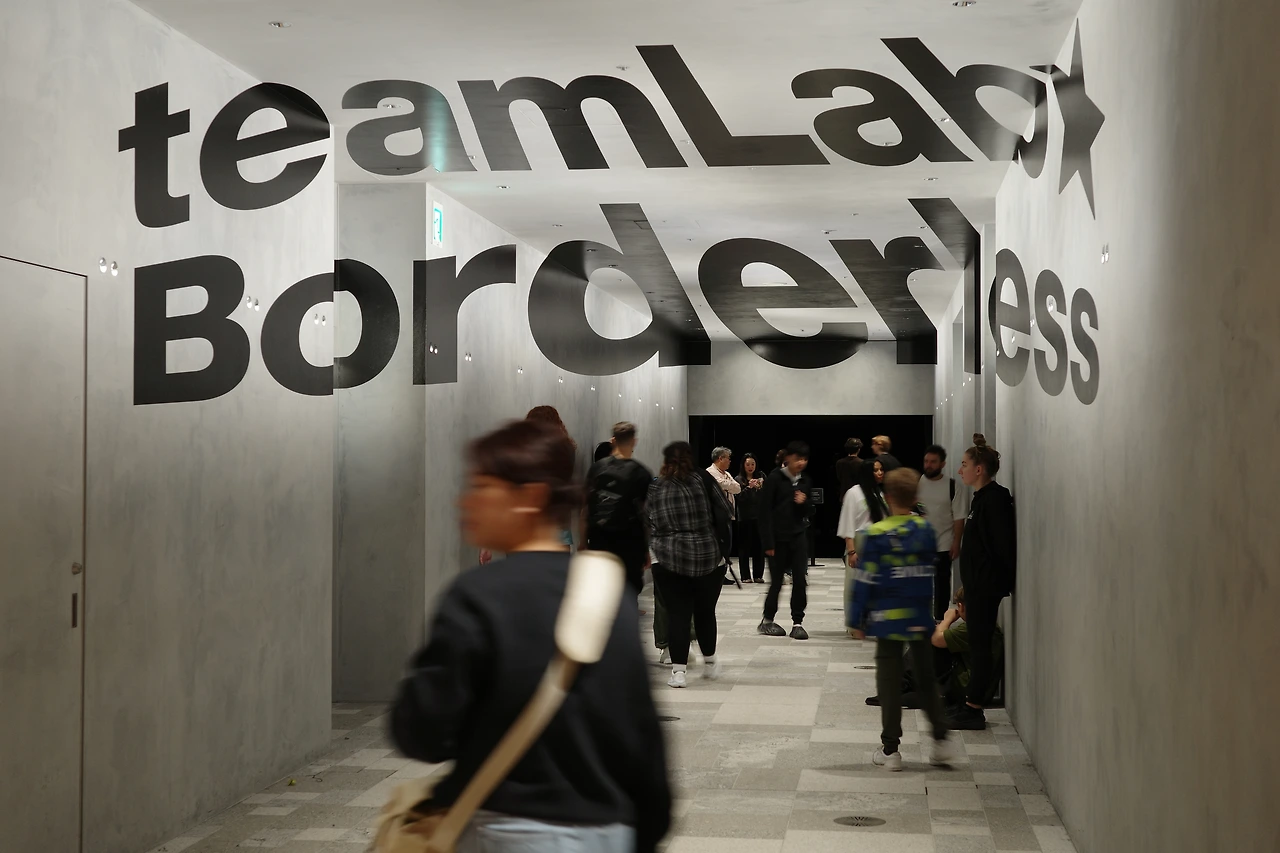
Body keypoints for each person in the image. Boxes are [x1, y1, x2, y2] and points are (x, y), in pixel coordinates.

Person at [390, 418, 671, 853]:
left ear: (530, 498)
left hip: (508, 831)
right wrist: (644, 830)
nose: (466, 501)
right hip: (606, 831)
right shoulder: (609, 593)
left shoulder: (478, 596)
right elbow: (640, 734)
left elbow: (423, 732)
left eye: (483, 487)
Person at [847, 468, 955, 771]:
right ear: (915, 496)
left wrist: (857, 618)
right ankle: (941, 740)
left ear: (887, 497)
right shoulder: (925, 531)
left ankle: (891, 750)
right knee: (926, 678)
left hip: (887, 620)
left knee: (890, 683)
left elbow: (865, 579)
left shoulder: (875, 535)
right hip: (919, 616)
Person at [948, 434, 1016, 731]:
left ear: (979, 469)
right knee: (976, 645)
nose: (959, 470)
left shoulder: (995, 499)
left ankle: (974, 708)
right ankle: (969, 702)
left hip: (985, 588)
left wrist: (988, 583)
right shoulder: (981, 498)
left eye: (964, 464)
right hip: (978, 587)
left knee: (980, 646)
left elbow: (999, 548)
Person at [648, 441, 724, 687]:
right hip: (706, 556)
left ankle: (679, 672)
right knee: (705, 612)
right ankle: (710, 664)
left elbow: (649, 520)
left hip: (668, 557)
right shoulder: (703, 480)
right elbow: (724, 512)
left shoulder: (656, 486)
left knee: (677, 614)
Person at [585, 422, 654, 598]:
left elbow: (585, 507)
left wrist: (583, 543)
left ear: (613, 440)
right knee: (628, 594)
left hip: (599, 540)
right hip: (630, 543)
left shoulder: (596, 468)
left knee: (602, 593)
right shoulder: (641, 473)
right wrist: (646, 549)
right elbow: (645, 515)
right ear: (634, 441)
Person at [757, 441, 815, 640]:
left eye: (805, 459)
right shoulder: (775, 478)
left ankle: (797, 622)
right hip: (777, 539)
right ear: (788, 458)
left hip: (798, 536)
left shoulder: (805, 480)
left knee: (800, 580)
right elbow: (764, 512)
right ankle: (767, 620)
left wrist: (804, 503)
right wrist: (768, 543)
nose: (801, 463)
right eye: (798, 458)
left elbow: (810, 510)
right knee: (776, 582)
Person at [838, 458, 889, 638]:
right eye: (876, 470)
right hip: (859, 542)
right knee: (854, 585)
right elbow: (848, 523)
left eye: (881, 469)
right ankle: (854, 623)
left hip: (877, 543)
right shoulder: (854, 493)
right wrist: (851, 551)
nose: (880, 473)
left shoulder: (879, 493)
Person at [932, 586, 1005, 710]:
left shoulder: (970, 629)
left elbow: (936, 639)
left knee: (932, 643)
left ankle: (911, 683)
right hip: (981, 691)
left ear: (961, 606)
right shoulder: (987, 625)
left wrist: (947, 619)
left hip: (966, 690)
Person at [918, 445, 967, 621]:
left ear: (942, 464)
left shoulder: (953, 486)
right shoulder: (917, 484)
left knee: (942, 583)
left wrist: (956, 542)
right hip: (920, 543)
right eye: (926, 461)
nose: (928, 465)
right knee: (920, 582)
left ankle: (939, 619)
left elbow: (959, 517)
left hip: (944, 542)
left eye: (933, 462)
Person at [735, 454, 765, 583]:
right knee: (744, 547)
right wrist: (749, 487)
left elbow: (767, 495)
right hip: (744, 518)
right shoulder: (738, 479)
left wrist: (761, 486)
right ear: (743, 465)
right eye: (747, 464)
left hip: (759, 517)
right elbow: (739, 498)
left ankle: (758, 575)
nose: (750, 467)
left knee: (759, 547)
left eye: (753, 464)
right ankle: (745, 576)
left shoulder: (761, 476)